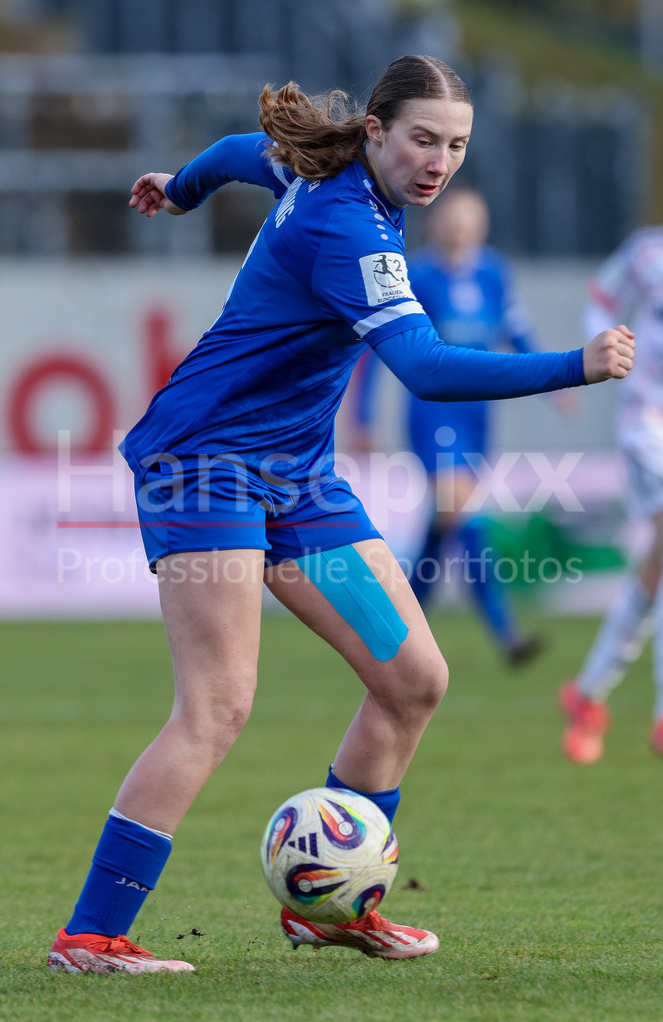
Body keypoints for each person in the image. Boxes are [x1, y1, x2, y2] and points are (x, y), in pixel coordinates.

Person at [46, 55, 634, 974]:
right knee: (218, 705)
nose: (439, 161)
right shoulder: (347, 226)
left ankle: (328, 907)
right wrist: (575, 364)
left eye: (455, 145)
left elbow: (246, 150)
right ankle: (90, 934)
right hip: (205, 464)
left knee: (413, 679)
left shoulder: (318, 170)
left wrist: (183, 188)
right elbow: (428, 368)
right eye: (421, 140)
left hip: (297, 478)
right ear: (374, 132)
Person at [351, 187, 567, 664]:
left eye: (470, 219)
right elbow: (376, 347)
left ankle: (393, 627)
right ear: (434, 223)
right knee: (460, 511)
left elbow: (518, 331)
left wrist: (558, 380)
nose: (460, 228)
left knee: (448, 519)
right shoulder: (417, 275)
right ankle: (505, 633)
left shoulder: (493, 273)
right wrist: (362, 414)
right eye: (452, 218)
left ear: (483, 225)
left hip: (478, 412)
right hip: (435, 409)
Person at [559, 226, 663, 764]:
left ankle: (588, 693)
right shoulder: (648, 252)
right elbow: (602, 298)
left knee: (656, 564)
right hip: (649, 422)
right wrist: (611, 349)